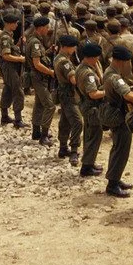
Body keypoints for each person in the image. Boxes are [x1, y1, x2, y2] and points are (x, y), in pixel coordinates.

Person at [102, 46, 133, 198]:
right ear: (122, 62)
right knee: (121, 148)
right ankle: (112, 184)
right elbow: (128, 96)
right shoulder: (115, 77)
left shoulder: (109, 72)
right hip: (118, 115)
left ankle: (115, 178)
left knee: (117, 147)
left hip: (113, 112)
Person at [76, 43, 106, 177]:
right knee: (94, 137)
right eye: (96, 57)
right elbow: (93, 93)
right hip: (92, 107)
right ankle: (87, 167)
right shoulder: (88, 74)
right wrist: (107, 92)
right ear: (92, 57)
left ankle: (89, 163)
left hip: (85, 106)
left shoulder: (80, 68)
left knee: (90, 135)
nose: (98, 60)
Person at [26, 16, 56, 146]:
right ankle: (43, 136)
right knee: (50, 105)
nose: (48, 29)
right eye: (47, 27)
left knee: (39, 104)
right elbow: (37, 64)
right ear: (41, 28)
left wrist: (49, 51)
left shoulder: (35, 40)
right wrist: (51, 72)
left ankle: (36, 131)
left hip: (39, 78)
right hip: (39, 77)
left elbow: (40, 57)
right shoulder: (35, 42)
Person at [53, 35, 83, 166]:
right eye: (72, 47)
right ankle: (74, 151)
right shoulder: (64, 62)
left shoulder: (58, 58)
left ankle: (63, 148)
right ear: (65, 47)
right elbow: (73, 80)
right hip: (68, 94)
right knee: (77, 122)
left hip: (63, 93)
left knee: (65, 121)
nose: (74, 49)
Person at [0, 13, 27, 128]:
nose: (16, 25)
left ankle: (4, 116)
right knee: (18, 91)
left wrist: (19, 43)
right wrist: (21, 59)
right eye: (15, 23)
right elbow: (6, 56)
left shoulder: (9, 35)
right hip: (9, 67)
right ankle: (18, 119)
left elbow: (11, 49)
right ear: (9, 24)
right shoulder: (5, 37)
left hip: (10, 67)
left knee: (8, 90)